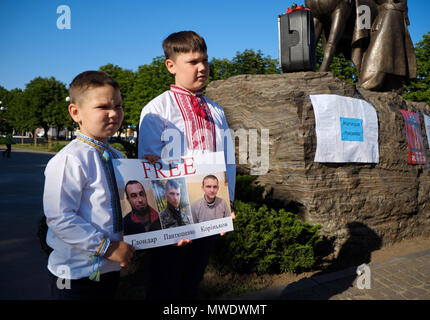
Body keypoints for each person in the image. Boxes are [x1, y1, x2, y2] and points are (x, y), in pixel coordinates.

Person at [138, 30, 236, 299]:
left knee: (192, 283)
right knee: (164, 285)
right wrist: (171, 223)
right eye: (192, 62)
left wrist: (228, 205)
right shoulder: (157, 109)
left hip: (208, 211)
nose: (202, 67)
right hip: (172, 220)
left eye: (204, 60)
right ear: (171, 66)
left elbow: (228, 161)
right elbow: (149, 167)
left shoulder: (216, 110)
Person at [43, 71, 135, 300]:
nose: (114, 113)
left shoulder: (117, 156)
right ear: (76, 112)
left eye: (118, 105)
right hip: (74, 275)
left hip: (109, 270)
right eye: (103, 106)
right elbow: (60, 218)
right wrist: (108, 248)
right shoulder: (70, 159)